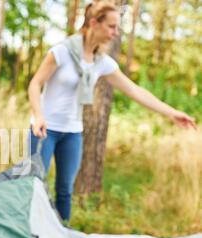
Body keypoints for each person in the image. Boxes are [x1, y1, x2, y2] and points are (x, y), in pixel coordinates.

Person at [28, 1, 196, 223]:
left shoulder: (101, 62)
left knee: (65, 192)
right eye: (111, 26)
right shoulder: (61, 53)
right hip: (44, 129)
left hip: (72, 133)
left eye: (117, 28)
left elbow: (134, 90)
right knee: (34, 186)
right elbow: (35, 84)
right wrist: (38, 115)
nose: (116, 33)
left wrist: (171, 112)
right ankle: (27, 236)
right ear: (94, 23)